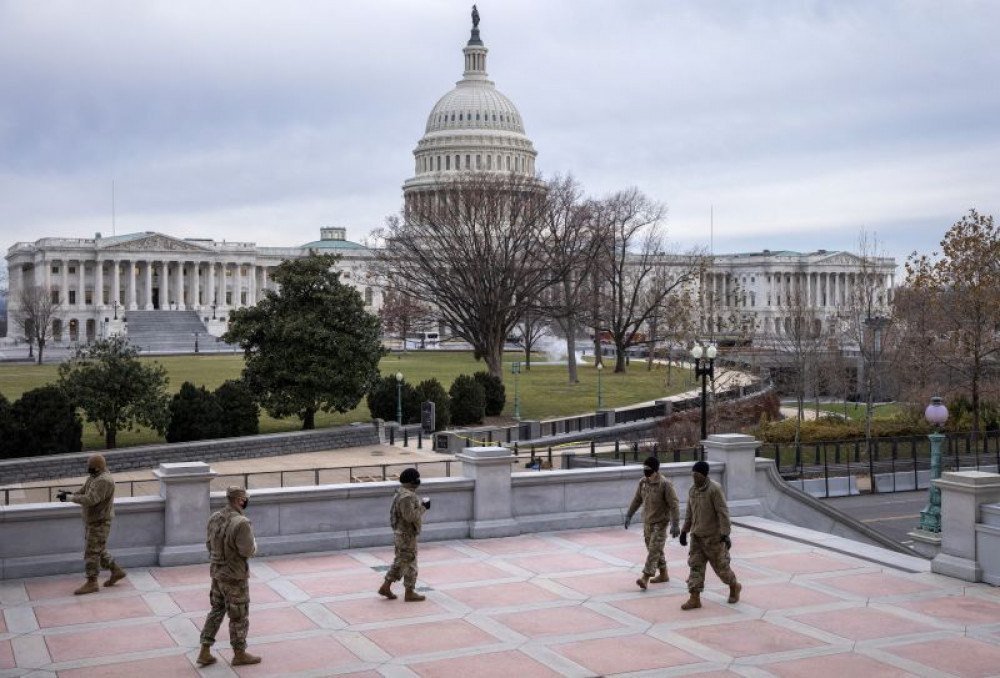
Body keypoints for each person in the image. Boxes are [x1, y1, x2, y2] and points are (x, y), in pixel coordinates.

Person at [196, 486, 261, 667]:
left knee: (216, 611)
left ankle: (204, 651)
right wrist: (255, 546)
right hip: (235, 577)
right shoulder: (242, 523)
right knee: (238, 616)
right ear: (240, 499)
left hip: (217, 574)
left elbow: (209, 545)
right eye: (245, 498)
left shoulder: (214, 518)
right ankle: (239, 654)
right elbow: (247, 551)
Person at [57, 454, 126, 595]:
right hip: (94, 520)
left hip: (100, 522)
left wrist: (70, 498)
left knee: (91, 552)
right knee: (98, 549)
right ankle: (116, 571)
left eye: (91, 467)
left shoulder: (104, 481)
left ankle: (92, 582)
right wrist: (69, 494)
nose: (88, 469)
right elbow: (84, 491)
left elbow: (90, 499)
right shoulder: (95, 477)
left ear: (98, 467)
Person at [678, 460, 741, 610]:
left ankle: (734, 586)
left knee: (722, 569)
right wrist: (684, 531)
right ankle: (694, 598)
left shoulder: (714, 489)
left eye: (697, 475)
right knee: (695, 567)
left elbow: (723, 512)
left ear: (704, 475)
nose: (694, 478)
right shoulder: (693, 490)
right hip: (697, 537)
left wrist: (725, 534)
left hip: (714, 538)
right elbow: (689, 512)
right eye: (693, 475)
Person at [624, 456, 680, 590]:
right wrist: (629, 514)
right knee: (654, 549)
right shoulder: (643, 482)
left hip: (660, 523)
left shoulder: (665, 484)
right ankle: (664, 574)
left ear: (655, 470)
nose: (646, 472)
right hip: (648, 522)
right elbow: (637, 499)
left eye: (648, 470)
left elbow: (674, 505)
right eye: (644, 469)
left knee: (654, 551)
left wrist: (675, 523)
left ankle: (645, 578)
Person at [378, 467, 430, 602]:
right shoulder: (407, 497)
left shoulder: (402, 493)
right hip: (406, 536)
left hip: (405, 535)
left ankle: (399, 589)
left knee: (405, 562)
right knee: (406, 562)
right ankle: (397, 589)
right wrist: (424, 506)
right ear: (412, 481)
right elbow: (410, 517)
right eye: (417, 479)